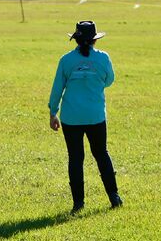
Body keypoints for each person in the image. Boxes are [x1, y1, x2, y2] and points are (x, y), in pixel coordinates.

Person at [48, 20, 122, 213]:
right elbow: (109, 80)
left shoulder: (66, 60)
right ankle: (114, 197)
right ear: (95, 40)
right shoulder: (103, 58)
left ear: (76, 40)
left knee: (75, 158)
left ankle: (78, 204)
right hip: (96, 116)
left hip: (71, 118)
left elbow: (57, 88)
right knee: (101, 154)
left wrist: (53, 112)